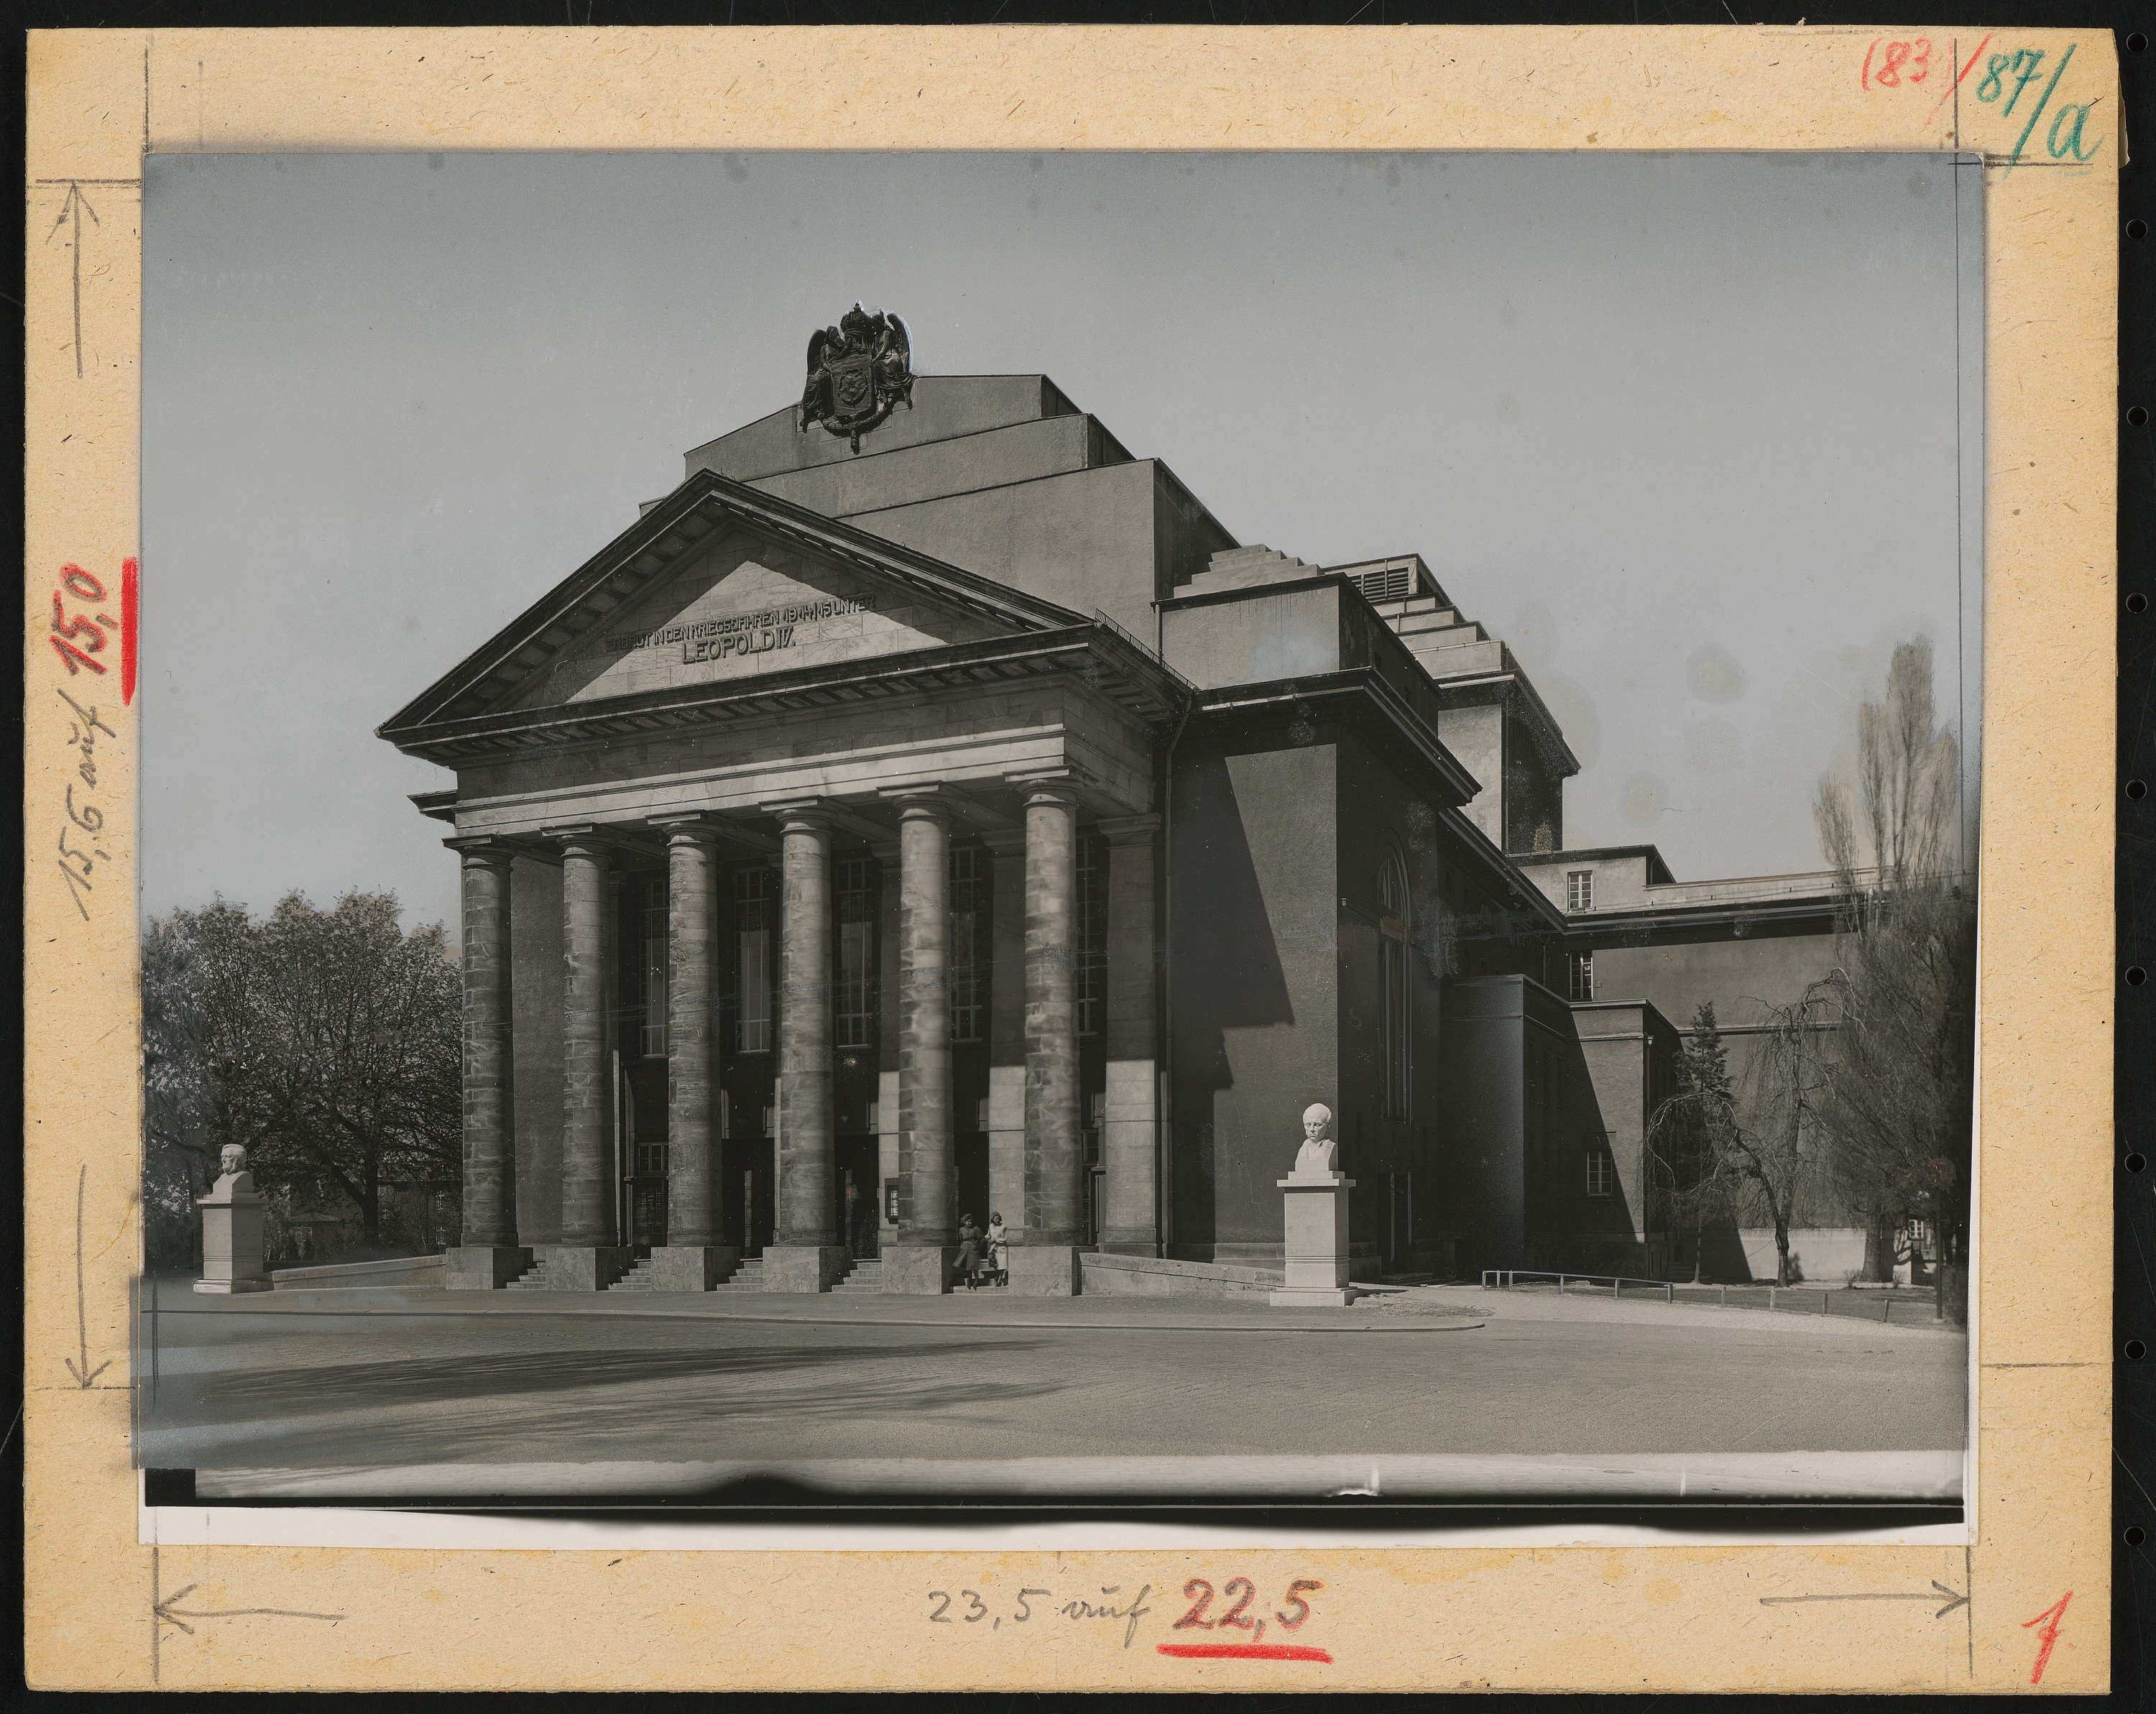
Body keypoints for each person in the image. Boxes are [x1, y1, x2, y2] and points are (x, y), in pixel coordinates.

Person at [954, 1213, 986, 1287]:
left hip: (973, 1249)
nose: (970, 1223)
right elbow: (961, 1239)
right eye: (968, 1222)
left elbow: (982, 1239)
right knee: (967, 1267)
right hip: (964, 1249)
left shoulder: (976, 1229)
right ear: (965, 1222)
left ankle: (976, 1281)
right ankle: (970, 1281)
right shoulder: (961, 1230)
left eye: (971, 1222)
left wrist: (978, 1246)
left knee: (973, 1266)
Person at [986, 1212, 1009, 1286]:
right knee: (995, 1265)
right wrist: (986, 1238)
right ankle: (997, 1276)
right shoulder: (991, 1226)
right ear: (993, 1219)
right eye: (995, 1219)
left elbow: (1005, 1238)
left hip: (1002, 1248)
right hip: (994, 1248)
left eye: (998, 1219)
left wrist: (996, 1240)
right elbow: (988, 1235)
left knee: (1002, 1265)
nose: (997, 1220)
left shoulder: (1003, 1227)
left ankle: (999, 1280)